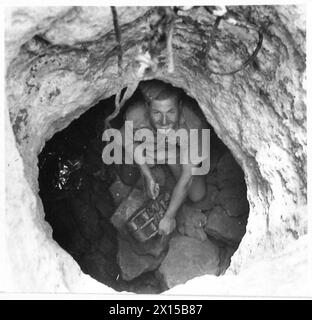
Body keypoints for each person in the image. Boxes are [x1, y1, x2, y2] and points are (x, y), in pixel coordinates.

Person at [116, 80, 208, 236]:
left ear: (180, 106)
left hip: (174, 152)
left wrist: (169, 216)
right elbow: (124, 137)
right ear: (147, 108)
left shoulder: (193, 125)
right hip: (149, 146)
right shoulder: (136, 114)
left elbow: (188, 177)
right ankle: (154, 166)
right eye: (157, 113)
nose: (164, 121)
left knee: (197, 195)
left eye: (171, 112)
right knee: (128, 177)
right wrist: (146, 174)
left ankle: (168, 163)